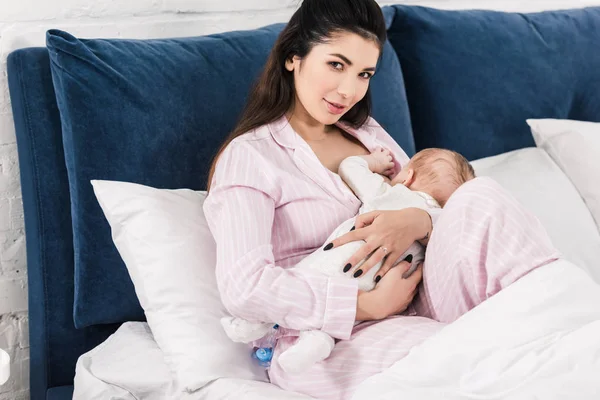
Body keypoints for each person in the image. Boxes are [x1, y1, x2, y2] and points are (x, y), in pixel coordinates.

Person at [203, 0, 560, 398]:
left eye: (364, 74)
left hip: (418, 295)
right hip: (323, 341)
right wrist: (363, 307)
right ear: (293, 57)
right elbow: (244, 287)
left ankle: (561, 321)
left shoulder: (367, 135)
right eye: (336, 65)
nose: (348, 90)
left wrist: (421, 222)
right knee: (482, 355)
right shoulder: (251, 157)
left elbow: (424, 200)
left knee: (480, 195)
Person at [219, 147, 476, 374]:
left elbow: (350, 167)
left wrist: (374, 162)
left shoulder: (388, 193)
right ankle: (315, 341)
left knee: (307, 275)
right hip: (377, 291)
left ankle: (257, 323)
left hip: (339, 262)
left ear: (407, 177)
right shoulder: (436, 231)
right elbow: (461, 234)